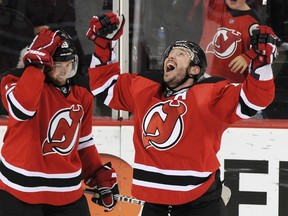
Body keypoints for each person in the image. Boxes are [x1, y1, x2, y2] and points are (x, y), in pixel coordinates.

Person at [86, 12, 277, 216]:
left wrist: (262, 63)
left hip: (200, 205)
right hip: (154, 206)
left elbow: (255, 98)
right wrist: (103, 45)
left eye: (180, 54)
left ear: (195, 70)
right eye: (170, 53)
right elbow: (104, 86)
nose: (171, 56)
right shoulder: (145, 89)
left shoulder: (212, 93)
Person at [0, 29, 119, 215]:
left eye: (69, 64)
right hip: (18, 193)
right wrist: (36, 64)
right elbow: (22, 109)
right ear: (46, 63)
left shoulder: (82, 92)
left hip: (67, 195)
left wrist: (96, 172)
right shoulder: (15, 79)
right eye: (57, 64)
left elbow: (83, 142)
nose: (64, 70)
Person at [199, 0, 260, 83]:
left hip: (233, 82)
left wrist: (248, 57)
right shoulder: (215, 7)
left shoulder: (253, 22)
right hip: (205, 75)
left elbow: (262, 49)